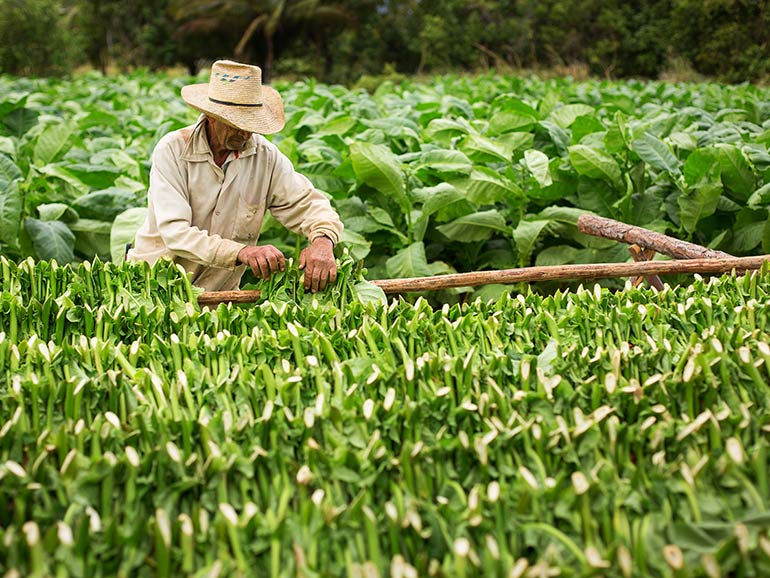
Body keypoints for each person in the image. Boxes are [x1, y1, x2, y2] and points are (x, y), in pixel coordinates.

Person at [127, 60, 343, 293]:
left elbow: (307, 203)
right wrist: (242, 252)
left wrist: (323, 240)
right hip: (155, 291)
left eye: (251, 123)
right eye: (236, 123)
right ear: (211, 117)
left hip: (219, 294)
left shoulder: (265, 156)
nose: (245, 132)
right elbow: (176, 233)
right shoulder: (173, 150)